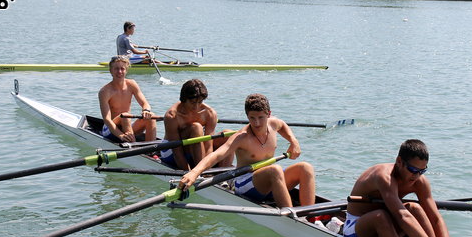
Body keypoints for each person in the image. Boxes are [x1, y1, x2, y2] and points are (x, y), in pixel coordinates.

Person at [177, 93, 315, 207]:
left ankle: (310, 217)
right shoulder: (242, 137)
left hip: (270, 182)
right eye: (252, 118)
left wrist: (293, 141)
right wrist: (194, 173)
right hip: (245, 183)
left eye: (261, 118)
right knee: (275, 169)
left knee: (305, 167)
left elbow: (283, 125)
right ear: (247, 116)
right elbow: (217, 155)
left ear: (269, 114)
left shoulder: (274, 123)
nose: (256, 123)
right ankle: (293, 221)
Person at [345, 139, 457, 237]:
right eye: (413, 170)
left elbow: (435, 218)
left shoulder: (420, 181)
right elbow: (402, 216)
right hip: (356, 227)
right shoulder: (384, 177)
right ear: (399, 162)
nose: (416, 176)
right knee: (380, 216)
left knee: (415, 208)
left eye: (422, 171)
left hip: (389, 226)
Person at [159, 78, 233, 171]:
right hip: (171, 152)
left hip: (195, 148)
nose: (196, 106)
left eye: (200, 102)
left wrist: (207, 166)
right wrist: (190, 173)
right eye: (193, 102)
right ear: (184, 99)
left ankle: (223, 176)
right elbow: (176, 150)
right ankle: (201, 171)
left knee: (229, 135)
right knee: (196, 128)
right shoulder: (172, 115)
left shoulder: (209, 113)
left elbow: (208, 144)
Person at [97, 55, 157, 142]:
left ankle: (152, 150)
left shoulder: (132, 84)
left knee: (151, 117)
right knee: (124, 115)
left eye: (122, 69)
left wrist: (146, 111)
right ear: (111, 71)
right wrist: (120, 135)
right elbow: (107, 119)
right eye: (116, 69)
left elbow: (145, 103)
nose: (119, 71)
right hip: (110, 129)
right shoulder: (104, 91)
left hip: (127, 125)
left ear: (126, 70)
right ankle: (133, 146)